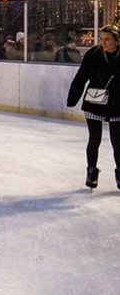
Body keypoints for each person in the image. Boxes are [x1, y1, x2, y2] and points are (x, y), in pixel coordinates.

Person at [67, 24, 120, 190]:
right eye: (101, 39)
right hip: (94, 102)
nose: (103, 43)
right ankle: (91, 171)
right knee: (94, 139)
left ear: (117, 41)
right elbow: (81, 77)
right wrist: (72, 99)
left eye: (107, 40)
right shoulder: (93, 54)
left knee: (118, 142)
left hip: (118, 103)